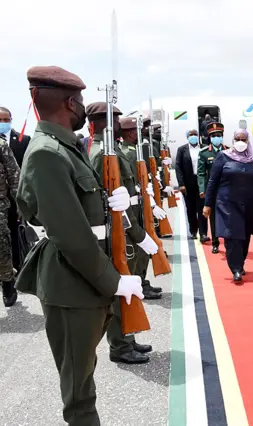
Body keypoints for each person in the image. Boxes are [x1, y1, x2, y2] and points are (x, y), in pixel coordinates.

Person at [16, 65, 144, 426]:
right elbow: (71, 235)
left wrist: (114, 201)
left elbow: (85, 214)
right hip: (71, 285)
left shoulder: (64, 149)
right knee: (79, 394)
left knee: (84, 376)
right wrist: (114, 281)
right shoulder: (47, 153)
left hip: (85, 282)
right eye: (82, 102)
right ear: (71, 103)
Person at [86, 103, 156, 365]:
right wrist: (135, 234)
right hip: (120, 231)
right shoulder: (100, 154)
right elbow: (107, 201)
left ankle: (127, 338)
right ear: (103, 121)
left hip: (128, 225)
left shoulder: (112, 151)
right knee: (120, 291)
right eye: (115, 118)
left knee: (130, 286)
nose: (118, 122)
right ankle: (120, 346)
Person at [203, 129, 253, 283]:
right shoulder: (223, 157)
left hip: (248, 203)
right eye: (237, 139)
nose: (240, 142)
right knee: (232, 236)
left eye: (243, 139)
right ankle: (236, 269)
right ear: (233, 140)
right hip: (227, 203)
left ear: (248, 141)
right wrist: (208, 204)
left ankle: (241, 263)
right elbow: (213, 182)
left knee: (245, 236)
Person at [119, 116, 164, 298]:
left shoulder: (132, 151)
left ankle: (142, 281)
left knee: (143, 249)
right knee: (138, 250)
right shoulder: (129, 154)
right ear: (131, 133)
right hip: (134, 207)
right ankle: (139, 283)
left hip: (139, 204)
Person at [1, 107, 30, 276]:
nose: (3, 123)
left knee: (14, 234)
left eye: (6, 120)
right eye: (0, 120)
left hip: (15, 198)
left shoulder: (23, 140)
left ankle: (18, 267)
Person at [0, 124, 20, 307]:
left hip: (0, 205)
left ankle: (7, 282)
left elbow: (14, 175)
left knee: (2, 247)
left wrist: (20, 204)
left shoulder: (1, 145)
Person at [198, 122, 225, 250]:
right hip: (213, 191)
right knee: (213, 217)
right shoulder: (204, 153)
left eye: (218, 135)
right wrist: (202, 189)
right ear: (209, 138)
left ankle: (228, 240)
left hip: (227, 190)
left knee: (228, 216)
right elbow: (201, 173)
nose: (216, 138)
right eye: (213, 136)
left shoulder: (229, 151)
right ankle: (215, 242)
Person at [175, 129, 204, 239]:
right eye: (191, 135)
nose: (193, 136)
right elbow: (178, 168)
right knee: (190, 209)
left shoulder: (203, 147)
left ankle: (203, 232)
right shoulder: (182, 150)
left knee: (202, 208)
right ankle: (193, 231)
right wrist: (181, 184)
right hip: (188, 184)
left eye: (195, 134)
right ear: (187, 137)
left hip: (201, 182)